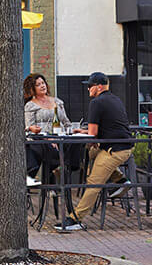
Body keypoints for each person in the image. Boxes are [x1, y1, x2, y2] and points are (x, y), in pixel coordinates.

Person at [57, 72, 133, 232]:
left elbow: (93, 135)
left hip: (115, 149)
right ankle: (121, 180)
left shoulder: (96, 102)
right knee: (91, 153)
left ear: (99, 86)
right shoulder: (115, 99)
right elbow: (100, 130)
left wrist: (87, 135)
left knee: (93, 183)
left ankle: (75, 219)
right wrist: (84, 132)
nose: (88, 89)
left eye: (90, 86)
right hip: (124, 146)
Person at [23, 72, 71, 184]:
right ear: (32, 88)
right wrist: (45, 137)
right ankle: (53, 172)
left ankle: (57, 172)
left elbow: (66, 122)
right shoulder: (30, 105)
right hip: (42, 140)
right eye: (38, 84)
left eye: (43, 83)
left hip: (60, 138)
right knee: (46, 147)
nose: (42, 86)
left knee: (76, 145)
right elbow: (29, 126)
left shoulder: (57, 102)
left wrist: (74, 130)